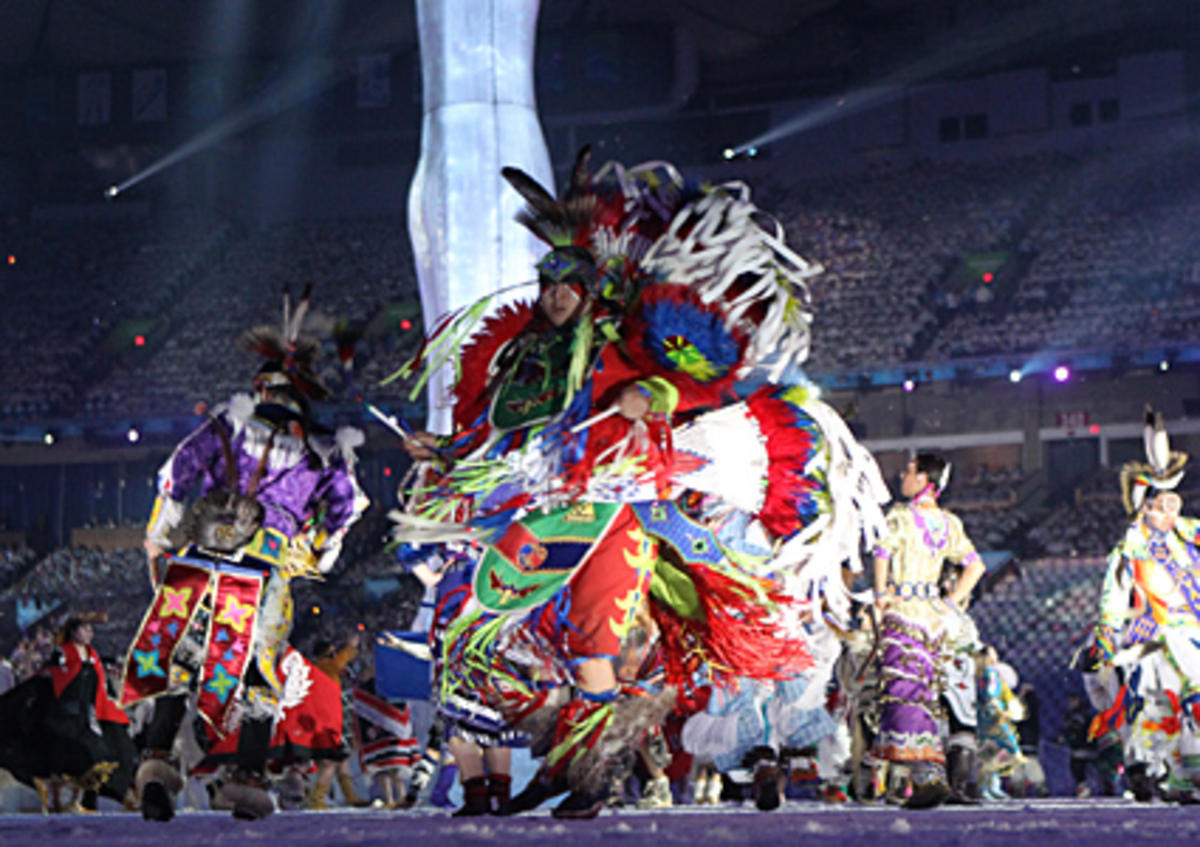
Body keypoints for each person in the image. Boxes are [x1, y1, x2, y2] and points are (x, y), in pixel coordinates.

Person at [396, 150, 821, 819]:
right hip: (539, 515)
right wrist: (443, 447)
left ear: (589, 290)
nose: (554, 296)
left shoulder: (621, 344)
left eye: (566, 285)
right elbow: (491, 430)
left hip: (613, 515)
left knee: (594, 650)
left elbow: (677, 386)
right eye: (547, 285)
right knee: (495, 636)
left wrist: (644, 394)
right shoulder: (525, 357)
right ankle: (566, 765)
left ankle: (589, 777)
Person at [119, 292, 368, 821]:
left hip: (197, 562)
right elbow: (343, 512)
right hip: (261, 571)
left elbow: (174, 477)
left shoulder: (224, 429)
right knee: (258, 672)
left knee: (182, 662)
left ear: (260, 389)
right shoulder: (324, 452)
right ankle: (248, 781)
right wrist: (317, 552)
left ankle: (157, 765)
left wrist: (159, 538)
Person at [1090, 408, 1200, 802]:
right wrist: (1106, 635)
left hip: (1191, 634)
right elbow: (1113, 598)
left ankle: (1187, 777)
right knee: (1157, 706)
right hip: (1151, 637)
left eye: (1176, 502)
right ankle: (1155, 774)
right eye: (1163, 504)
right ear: (1145, 508)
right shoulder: (1130, 548)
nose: (1173, 510)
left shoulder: (1190, 537)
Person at [871, 452, 986, 808]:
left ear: (923, 479)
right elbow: (975, 565)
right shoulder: (949, 523)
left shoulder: (900, 517)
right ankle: (927, 773)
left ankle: (927, 775)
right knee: (923, 696)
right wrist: (948, 604)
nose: (902, 476)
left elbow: (881, 551)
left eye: (908, 471)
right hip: (934, 622)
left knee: (904, 693)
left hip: (904, 612)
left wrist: (879, 593)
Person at [0, 616, 137, 812]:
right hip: (62, 717)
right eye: (85, 628)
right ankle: (60, 798)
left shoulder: (93, 656)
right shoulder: (63, 653)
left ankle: (88, 799)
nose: (90, 632)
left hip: (84, 716)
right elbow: (52, 675)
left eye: (91, 629)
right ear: (74, 632)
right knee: (69, 758)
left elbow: (98, 686)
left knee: (100, 755)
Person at [307, 634, 370, 809]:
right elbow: (338, 663)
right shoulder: (324, 667)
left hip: (336, 721)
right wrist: (350, 647)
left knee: (342, 761)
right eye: (332, 653)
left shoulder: (325, 669)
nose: (335, 656)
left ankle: (350, 796)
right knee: (331, 762)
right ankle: (316, 799)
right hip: (329, 723)